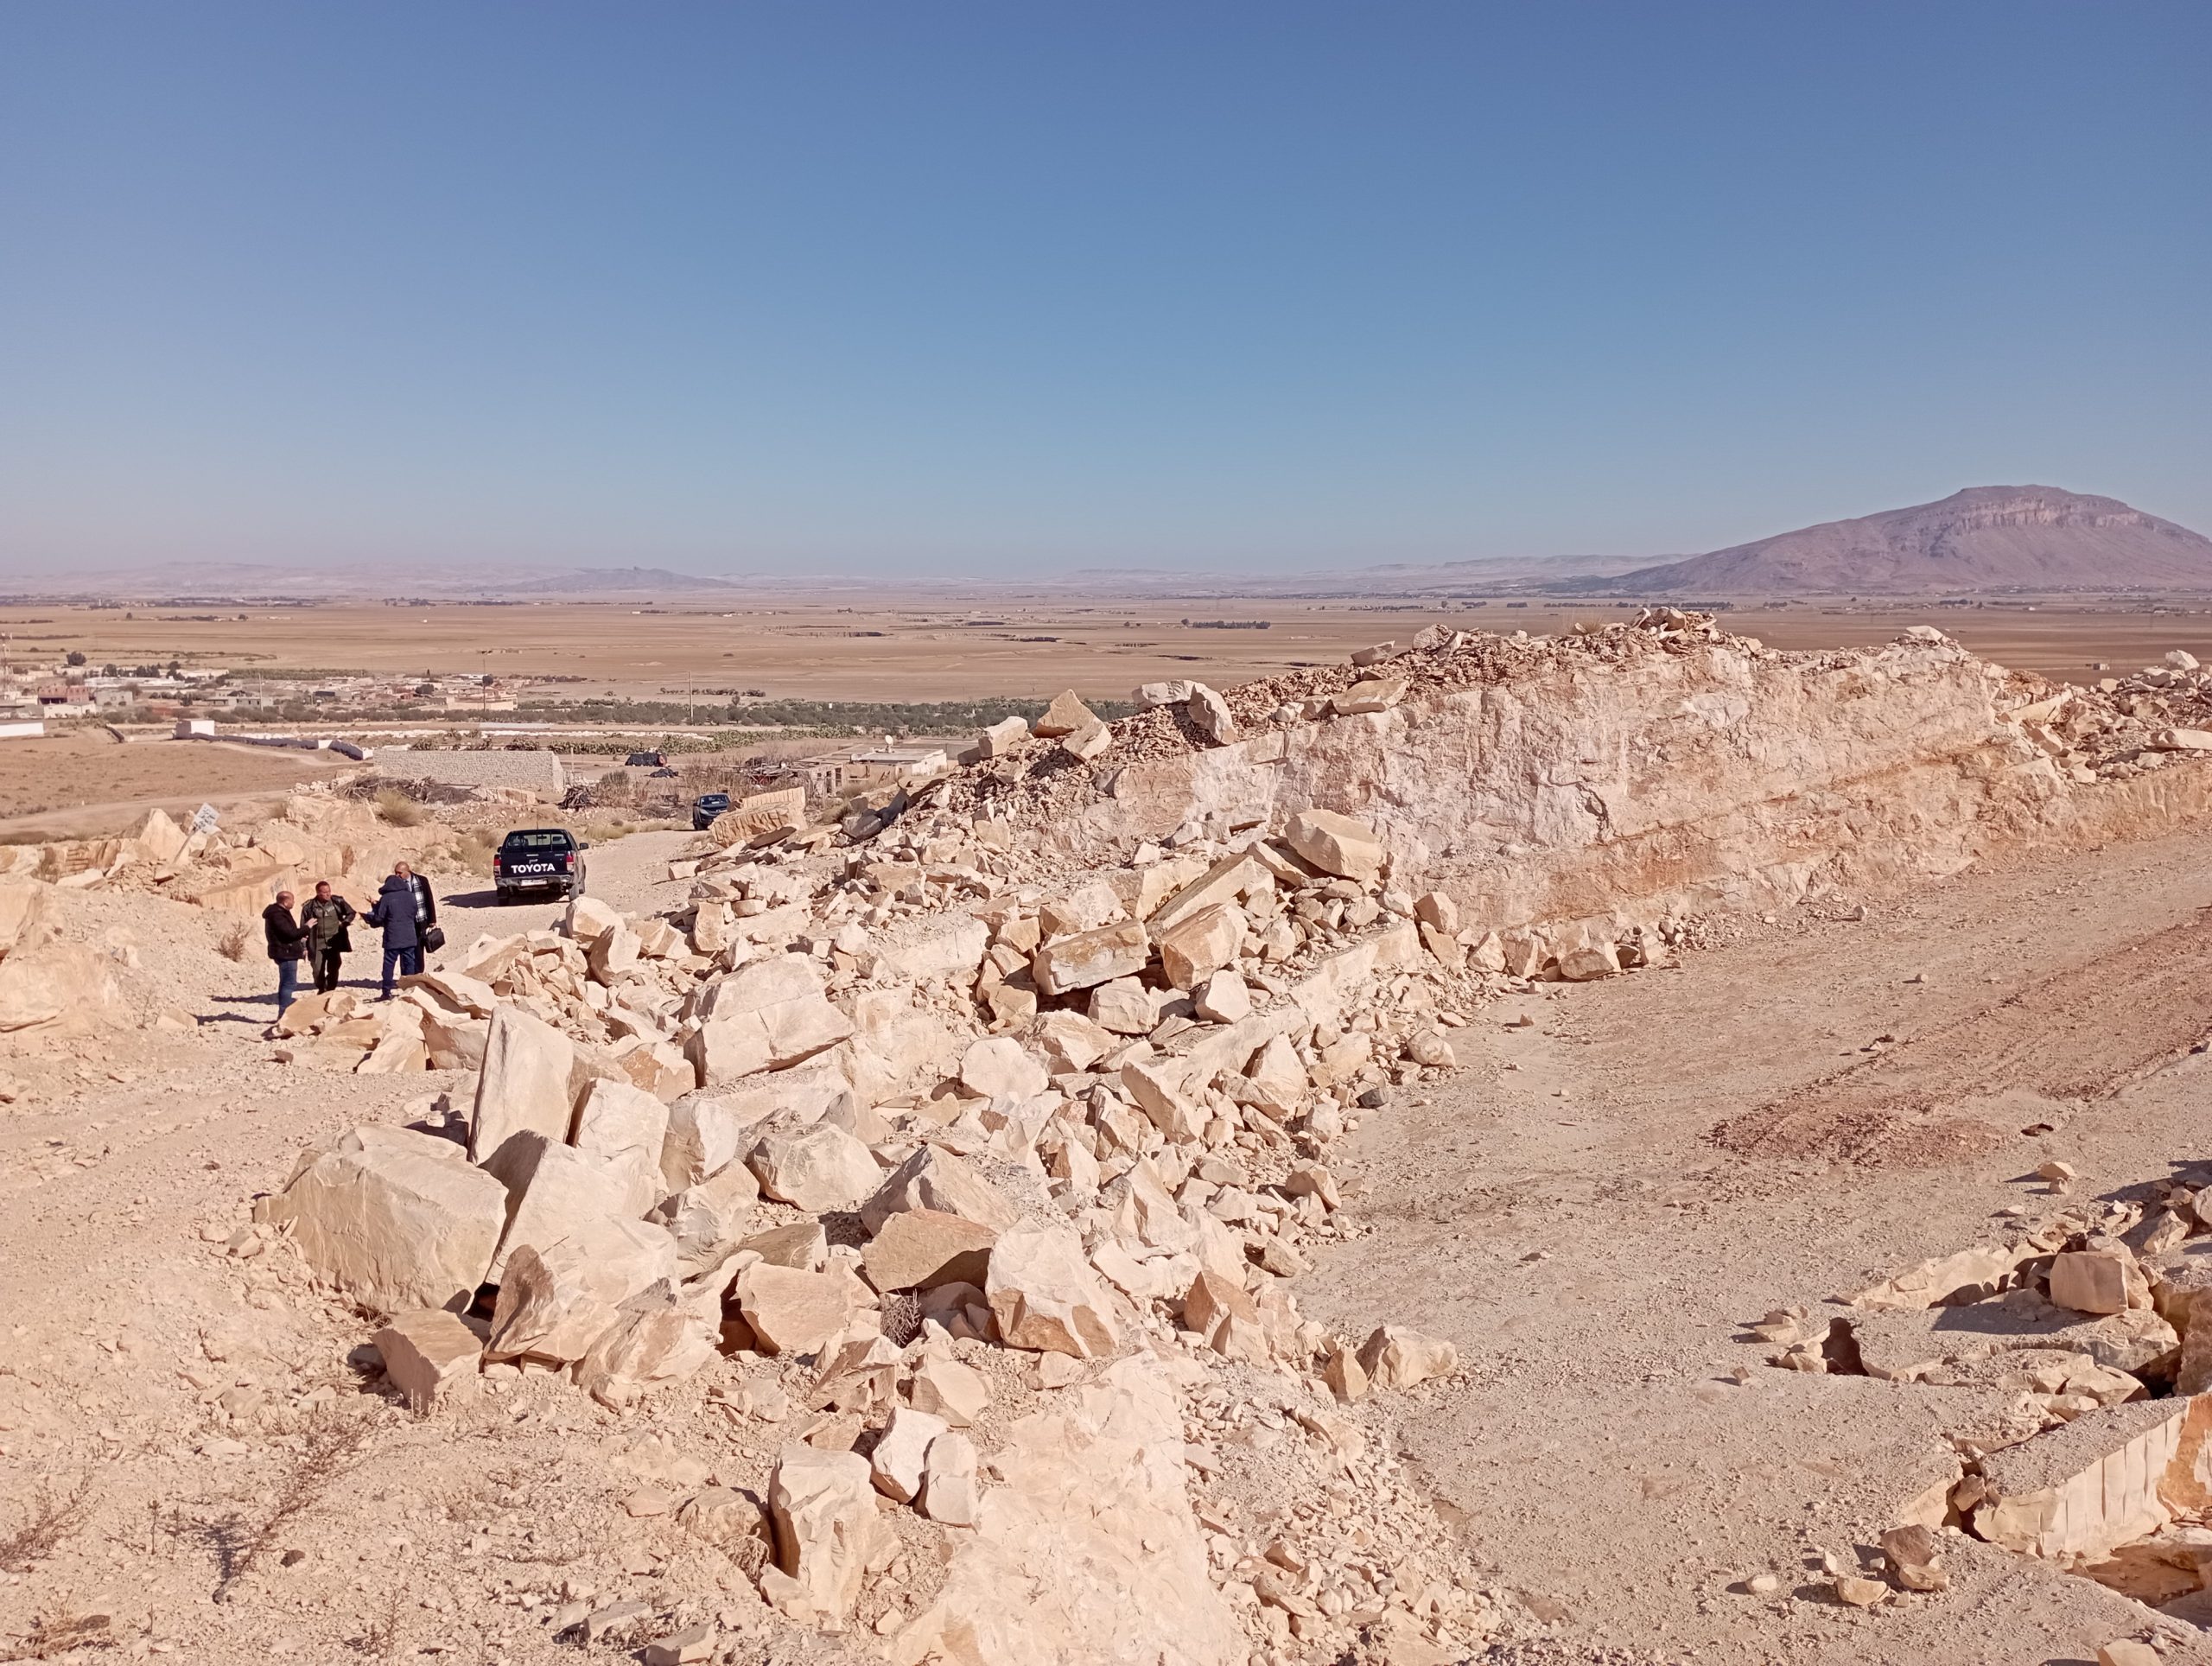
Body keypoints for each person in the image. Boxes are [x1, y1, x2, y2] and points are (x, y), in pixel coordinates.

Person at [365, 861, 437, 998]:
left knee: (389, 964)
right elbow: (414, 911)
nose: (398, 876)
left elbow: (380, 917)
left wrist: (373, 914)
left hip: (393, 937)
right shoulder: (410, 896)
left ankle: (386, 991)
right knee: (411, 961)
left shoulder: (386, 898)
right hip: (410, 934)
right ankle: (409, 990)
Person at [299, 880, 355, 994]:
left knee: (334, 967)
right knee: (317, 968)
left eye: (329, 891)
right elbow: (303, 928)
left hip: (333, 942)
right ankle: (321, 987)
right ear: (318, 893)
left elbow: (351, 913)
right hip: (317, 942)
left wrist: (344, 923)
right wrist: (304, 947)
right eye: (325, 892)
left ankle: (330, 988)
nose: (328, 894)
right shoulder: (309, 907)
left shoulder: (337, 901)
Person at [262, 888, 308, 1014]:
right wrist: (306, 928)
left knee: (286, 983)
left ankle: (284, 1013)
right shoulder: (278, 915)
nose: (294, 903)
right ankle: (284, 1013)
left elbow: (288, 933)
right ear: (286, 902)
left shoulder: (279, 913)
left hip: (285, 951)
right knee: (289, 984)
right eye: (292, 900)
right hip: (286, 953)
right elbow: (289, 934)